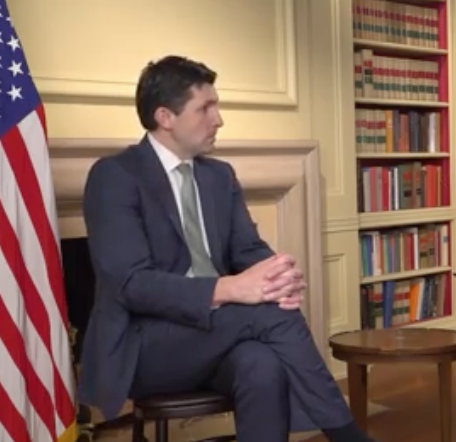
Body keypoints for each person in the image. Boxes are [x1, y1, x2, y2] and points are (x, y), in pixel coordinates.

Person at [77, 55, 375, 442]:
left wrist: (276, 276)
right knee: (269, 316)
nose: (218, 119)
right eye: (205, 108)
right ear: (165, 117)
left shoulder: (218, 175)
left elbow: (247, 248)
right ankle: (348, 436)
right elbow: (131, 284)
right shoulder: (115, 176)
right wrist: (230, 289)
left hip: (215, 332)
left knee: (261, 364)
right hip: (146, 345)